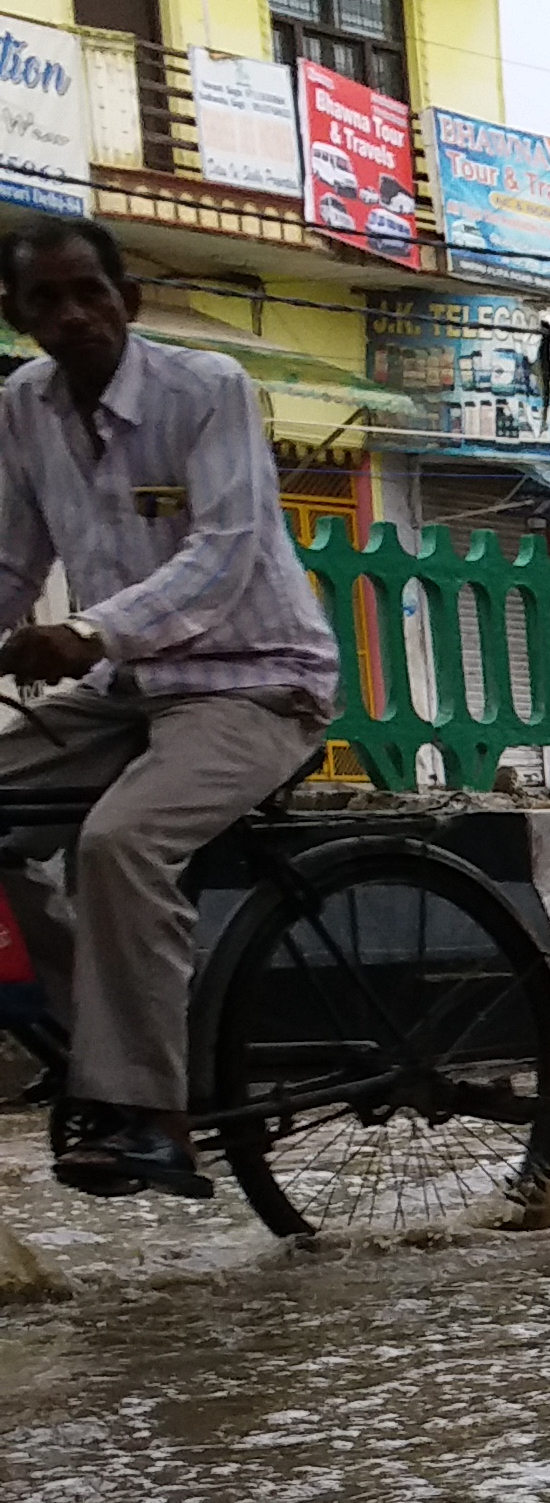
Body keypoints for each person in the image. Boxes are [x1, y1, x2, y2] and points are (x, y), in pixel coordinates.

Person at [0, 216, 343, 1199]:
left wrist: (92, 633)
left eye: (89, 294)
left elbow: (226, 551)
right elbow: (13, 560)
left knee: (120, 842)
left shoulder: (208, 391)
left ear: (130, 301)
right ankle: (97, 1049)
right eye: (45, 301)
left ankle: (156, 1115)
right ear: (14, 315)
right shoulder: (21, 406)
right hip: (126, 695)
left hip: (256, 682)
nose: (72, 316)